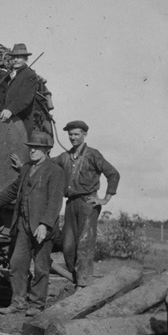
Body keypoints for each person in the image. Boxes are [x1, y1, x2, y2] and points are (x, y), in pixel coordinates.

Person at [0, 131, 64, 315]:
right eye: (31, 147)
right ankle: (18, 303)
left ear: (47, 150)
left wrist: (45, 224)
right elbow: (13, 190)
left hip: (41, 227)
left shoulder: (55, 171)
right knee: (17, 263)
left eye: (37, 148)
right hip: (23, 225)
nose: (32, 150)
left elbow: (55, 201)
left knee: (41, 267)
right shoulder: (26, 168)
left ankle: (37, 305)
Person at [51, 120, 120, 288]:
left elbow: (113, 174)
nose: (73, 137)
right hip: (71, 204)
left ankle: (83, 286)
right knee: (68, 246)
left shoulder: (92, 154)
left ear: (84, 135)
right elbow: (47, 163)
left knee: (85, 245)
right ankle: (77, 280)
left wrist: (105, 199)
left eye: (76, 134)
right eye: (70, 134)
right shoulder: (65, 157)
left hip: (88, 204)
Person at [0, 43, 41, 136]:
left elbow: (24, 97)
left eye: (19, 57)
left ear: (25, 59)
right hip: (6, 121)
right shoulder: (11, 75)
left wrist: (11, 110)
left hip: (20, 123)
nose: (16, 60)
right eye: (14, 57)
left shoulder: (30, 75)